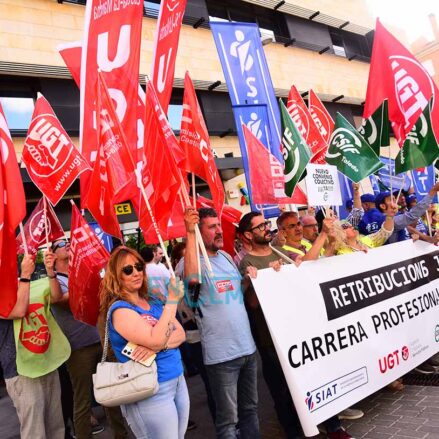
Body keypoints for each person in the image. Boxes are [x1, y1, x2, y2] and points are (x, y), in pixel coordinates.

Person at [238, 212, 354, 439]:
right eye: (260, 226)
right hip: (270, 339)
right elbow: (251, 303)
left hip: (297, 331)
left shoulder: (279, 252)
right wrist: (257, 280)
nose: (265, 228)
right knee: (282, 390)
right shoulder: (247, 262)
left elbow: (306, 269)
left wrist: (297, 266)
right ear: (248, 235)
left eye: (266, 224)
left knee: (315, 376)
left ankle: (333, 427)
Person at [180, 206, 259, 439]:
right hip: (222, 357)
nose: (219, 231)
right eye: (212, 227)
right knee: (228, 421)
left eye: (218, 225)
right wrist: (189, 233)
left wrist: (247, 280)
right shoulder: (192, 262)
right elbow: (192, 281)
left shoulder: (225, 256)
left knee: (251, 410)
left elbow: (237, 294)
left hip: (247, 349)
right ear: (199, 230)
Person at [99, 246, 189, 438]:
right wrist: (172, 302)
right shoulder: (120, 309)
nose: (136, 273)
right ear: (116, 275)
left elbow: (181, 334)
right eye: (128, 270)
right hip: (151, 390)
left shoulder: (153, 301)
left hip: (177, 379)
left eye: (139, 266)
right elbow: (157, 339)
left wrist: (156, 346)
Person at [44, 238, 126, 439]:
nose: (69, 244)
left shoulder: (80, 273)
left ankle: (122, 435)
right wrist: (50, 272)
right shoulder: (55, 281)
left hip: (101, 340)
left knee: (112, 394)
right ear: (53, 256)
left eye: (69, 241)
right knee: (83, 401)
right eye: (62, 244)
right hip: (78, 349)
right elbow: (60, 299)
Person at [1, 255, 65, 439]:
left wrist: (51, 272)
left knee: (56, 428)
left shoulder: (22, 283)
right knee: (35, 432)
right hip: (20, 372)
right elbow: (19, 311)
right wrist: (26, 275)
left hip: (45, 362)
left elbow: (56, 296)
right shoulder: (21, 282)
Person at [332, 200, 397, 255]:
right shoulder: (342, 254)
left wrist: (390, 216)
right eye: (346, 226)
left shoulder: (365, 241)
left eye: (350, 225)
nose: (351, 226)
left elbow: (384, 233)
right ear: (339, 233)